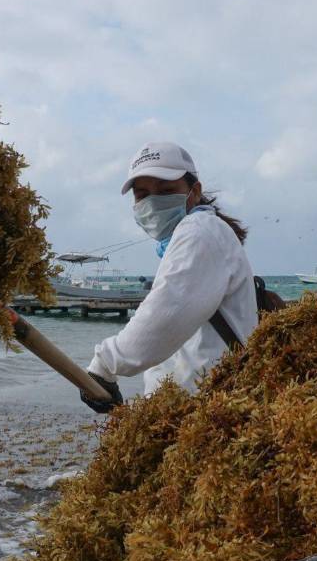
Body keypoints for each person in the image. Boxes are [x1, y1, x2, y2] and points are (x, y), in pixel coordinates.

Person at [80, 142, 259, 412]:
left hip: (214, 412)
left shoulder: (199, 232)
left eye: (165, 191)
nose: (153, 202)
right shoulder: (189, 237)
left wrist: (104, 365)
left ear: (194, 192)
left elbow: (163, 315)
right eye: (142, 194)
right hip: (196, 407)